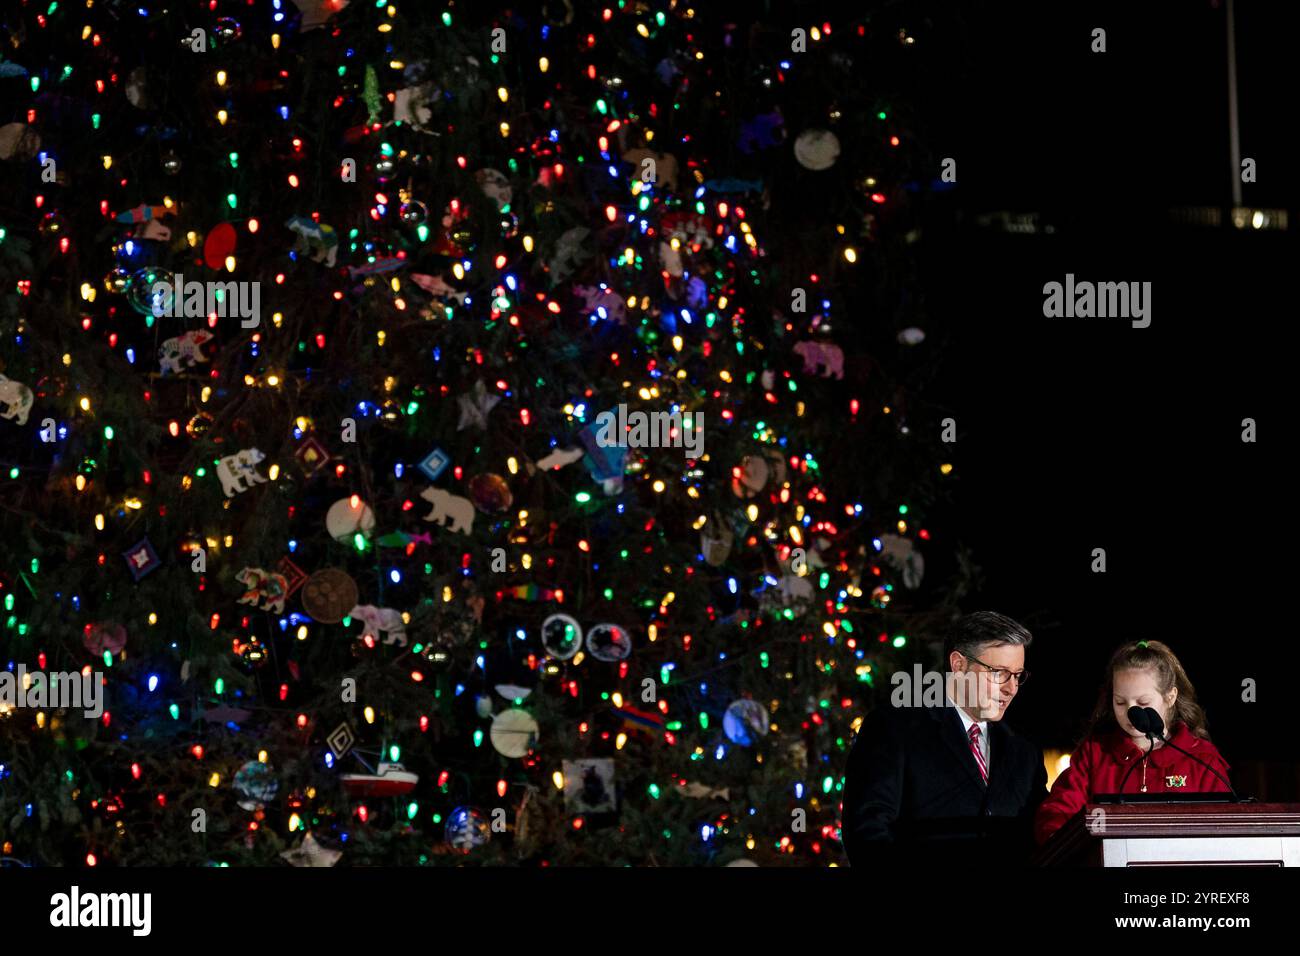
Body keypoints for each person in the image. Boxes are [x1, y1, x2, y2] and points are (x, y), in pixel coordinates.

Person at [841, 611, 1047, 866]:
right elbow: (867, 834)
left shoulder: (1024, 751)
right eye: (999, 672)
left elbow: (1044, 833)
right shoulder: (895, 728)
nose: (1011, 688)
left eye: (1017, 675)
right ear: (959, 665)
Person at [1034, 639, 1232, 846]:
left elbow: (1224, 828)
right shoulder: (1094, 753)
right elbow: (1057, 813)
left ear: (1170, 697)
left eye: (1143, 702)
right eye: (1120, 702)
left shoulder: (1201, 758)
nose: (1130, 712)